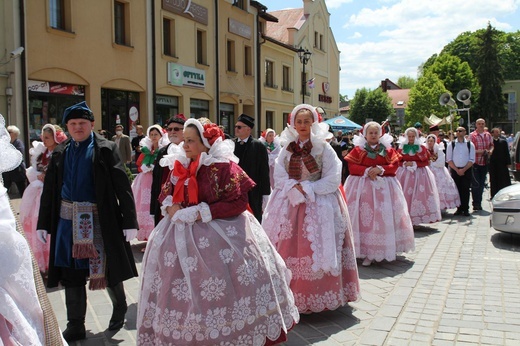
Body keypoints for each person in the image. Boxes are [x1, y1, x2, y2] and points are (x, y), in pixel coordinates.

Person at [136, 119, 299, 345]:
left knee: (220, 288)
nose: (185, 146)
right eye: (185, 140)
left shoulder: (223, 167)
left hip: (222, 235)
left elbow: (240, 201)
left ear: (205, 143)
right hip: (178, 235)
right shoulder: (179, 164)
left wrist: (203, 212)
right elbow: (165, 194)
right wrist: (171, 207)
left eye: (191, 141)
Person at [36, 101, 139, 342]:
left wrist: (130, 220)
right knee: (71, 273)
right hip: (67, 223)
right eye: (72, 124)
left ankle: (120, 306)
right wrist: (43, 223)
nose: (77, 127)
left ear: (91, 124)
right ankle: (75, 325)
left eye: (82, 123)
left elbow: (121, 185)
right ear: (67, 127)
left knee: (107, 268)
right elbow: (50, 190)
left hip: (101, 219)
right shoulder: (60, 152)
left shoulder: (105, 148)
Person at [262, 104, 360, 313]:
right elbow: (278, 175)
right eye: (299, 121)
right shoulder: (287, 148)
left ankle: (318, 295)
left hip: (319, 202)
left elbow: (333, 178)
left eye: (307, 121)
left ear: (314, 123)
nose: (303, 125)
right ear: (293, 124)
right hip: (290, 202)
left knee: (317, 245)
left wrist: (309, 188)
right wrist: (291, 187)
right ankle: (289, 295)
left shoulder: (323, 148)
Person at [344, 121, 415, 266]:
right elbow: (352, 166)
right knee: (364, 219)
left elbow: (394, 166)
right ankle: (364, 250)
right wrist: (366, 171)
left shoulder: (387, 150)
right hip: (362, 190)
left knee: (383, 218)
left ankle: (383, 249)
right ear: (365, 135)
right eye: (370, 133)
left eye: (376, 132)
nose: (373, 135)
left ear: (380, 134)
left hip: (385, 190)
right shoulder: (358, 150)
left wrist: (380, 169)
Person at [20, 124, 68, 273]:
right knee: (37, 222)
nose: (44, 140)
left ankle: (54, 261)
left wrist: (47, 177)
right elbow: (35, 169)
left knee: (52, 223)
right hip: (39, 194)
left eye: (47, 137)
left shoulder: (61, 153)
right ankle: (42, 261)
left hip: (54, 193)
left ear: (55, 138)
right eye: (43, 137)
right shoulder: (43, 153)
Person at [397, 127, 441, 225]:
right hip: (404, 175)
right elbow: (397, 161)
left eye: (413, 136)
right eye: (409, 136)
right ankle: (404, 218)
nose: (411, 138)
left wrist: (414, 164)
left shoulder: (422, 148)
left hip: (419, 174)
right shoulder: (401, 147)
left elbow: (426, 161)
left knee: (418, 195)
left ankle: (416, 219)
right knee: (405, 194)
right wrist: (404, 164)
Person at [233, 113, 270, 221]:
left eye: (239, 127)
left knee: (254, 219)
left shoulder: (258, 146)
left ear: (248, 129)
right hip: (235, 191)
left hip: (253, 192)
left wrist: (265, 194)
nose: (236, 129)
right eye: (236, 126)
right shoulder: (231, 144)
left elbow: (264, 171)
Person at [132, 124, 166, 242]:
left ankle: (154, 235)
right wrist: (144, 167)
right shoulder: (147, 148)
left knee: (153, 204)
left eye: (156, 134)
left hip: (156, 179)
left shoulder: (164, 148)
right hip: (145, 179)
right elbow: (140, 162)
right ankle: (145, 235)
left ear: (161, 135)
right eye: (151, 134)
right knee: (143, 204)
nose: (153, 136)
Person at [150, 114, 186, 226]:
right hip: (164, 205)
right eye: (169, 129)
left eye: (176, 129)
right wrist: (153, 209)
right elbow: (156, 181)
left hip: (184, 204)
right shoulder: (163, 151)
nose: (172, 132)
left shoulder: (190, 150)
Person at [426, 134, 461, 211]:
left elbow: (441, 162)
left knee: (440, 188)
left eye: (431, 141)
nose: (429, 142)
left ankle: (441, 207)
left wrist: (431, 163)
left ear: (434, 141)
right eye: (428, 141)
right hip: (428, 171)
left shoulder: (439, 150)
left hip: (438, 172)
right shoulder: (425, 150)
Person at [446, 127, 475, 217]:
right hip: (455, 170)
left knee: (465, 189)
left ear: (465, 132)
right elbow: (449, 159)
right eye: (457, 131)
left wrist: (464, 169)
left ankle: (465, 208)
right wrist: (457, 169)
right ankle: (459, 208)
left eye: (460, 131)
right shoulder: (452, 144)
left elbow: (472, 159)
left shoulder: (470, 144)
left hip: (466, 169)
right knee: (457, 189)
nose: (458, 132)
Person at [469, 118, 493, 211]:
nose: (481, 125)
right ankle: (476, 203)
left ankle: (479, 202)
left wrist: (490, 151)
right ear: (476, 125)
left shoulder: (488, 135)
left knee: (482, 184)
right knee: (476, 184)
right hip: (475, 163)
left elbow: (491, 145)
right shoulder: (472, 135)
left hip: (484, 162)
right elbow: (470, 150)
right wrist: (480, 151)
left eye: (482, 124)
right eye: (479, 124)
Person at [2, 125, 27, 197]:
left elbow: (18, 155)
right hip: (7, 171)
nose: (7, 133)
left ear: (15, 134)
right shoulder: (6, 143)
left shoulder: (18, 143)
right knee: (4, 191)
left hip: (17, 171)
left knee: (22, 190)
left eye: (9, 132)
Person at [489, 127, 511, 198]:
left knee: (503, 179)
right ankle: (493, 194)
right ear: (492, 133)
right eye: (496, 132)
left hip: (502, 164)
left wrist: (508, 162)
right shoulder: (490, 142)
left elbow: (506, 153)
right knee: (493, 179)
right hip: (493, 164)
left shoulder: (503, 142)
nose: (497, 133)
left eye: (498, 132)